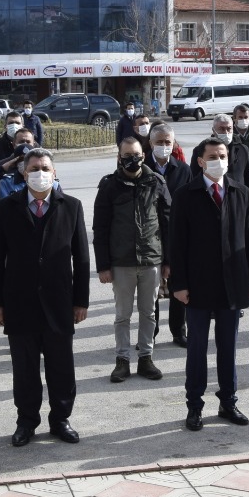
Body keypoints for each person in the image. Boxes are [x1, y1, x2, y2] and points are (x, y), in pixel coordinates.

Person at [0, 148, 89, 446]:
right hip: (20, 302)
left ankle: (61, 419)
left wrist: (80, 301)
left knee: (61, 366)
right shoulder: (6, 207)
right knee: (25, 368)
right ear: (24, 173)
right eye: (33, 168)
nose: (40, 173)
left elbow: (81, 258)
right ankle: (26, 421)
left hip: (59, 301)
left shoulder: (71, 206)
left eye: (45, 167)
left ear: (54, 173)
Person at [169, 138, 249, 431]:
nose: (218, 160)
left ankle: (228, 401)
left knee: (228, 347)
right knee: (196, 348)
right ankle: (194, 405)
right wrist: (178, 284)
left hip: (232, 283)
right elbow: (177, 244)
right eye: (212, 156)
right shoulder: (185, 194)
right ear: (200, 161)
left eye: (222, 155)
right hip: (196, 284)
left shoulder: (240, 192)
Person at [94, 136, 171, 383]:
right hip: (121, 262)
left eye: (136, 155)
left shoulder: (156, 182)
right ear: (119, 158)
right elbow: (101, 228)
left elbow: (168, 224)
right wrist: (103, 266)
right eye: (127, 156)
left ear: (143, 155)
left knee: (149, 313)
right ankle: (122, 360)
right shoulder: (109, 186)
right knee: (122, 315)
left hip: (152, 260)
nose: (132, 159)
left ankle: (146, 358)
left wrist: (168, 261)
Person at [148, 123, 194, 347]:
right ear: (151, 144)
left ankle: (178, 331)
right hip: (150, 236)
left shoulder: (183, 169)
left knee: (178, 285)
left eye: (168, 142)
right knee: (152, 290)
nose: (164, 146)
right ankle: (151, 333)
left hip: (178, 235)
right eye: (159, 142)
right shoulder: (143, 167)